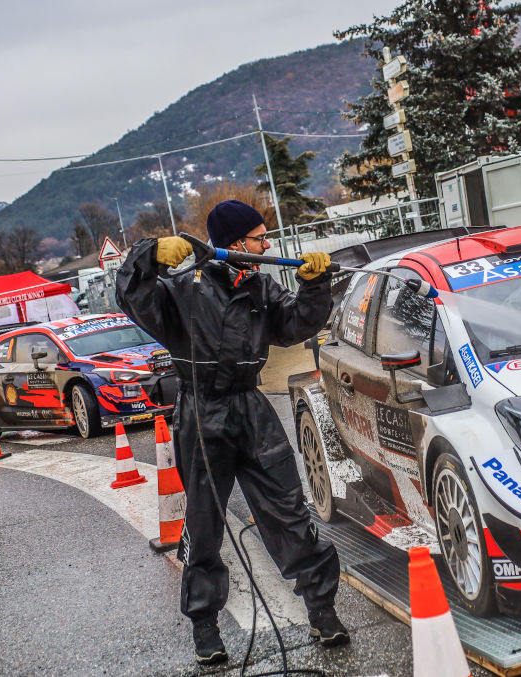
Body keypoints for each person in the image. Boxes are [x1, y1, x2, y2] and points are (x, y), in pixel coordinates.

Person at [115, 200, 347, 665]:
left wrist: (313, 284)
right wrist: (148, 252)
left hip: (251, 409)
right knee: (203, 528)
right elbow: (129, 292)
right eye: (261, 238)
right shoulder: (182, 288)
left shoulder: (261, 286)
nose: (267, 245)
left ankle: (322, 613)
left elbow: (296, 324)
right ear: (237, 242)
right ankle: (206, 629)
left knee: (289, 513)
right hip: (202, 415)